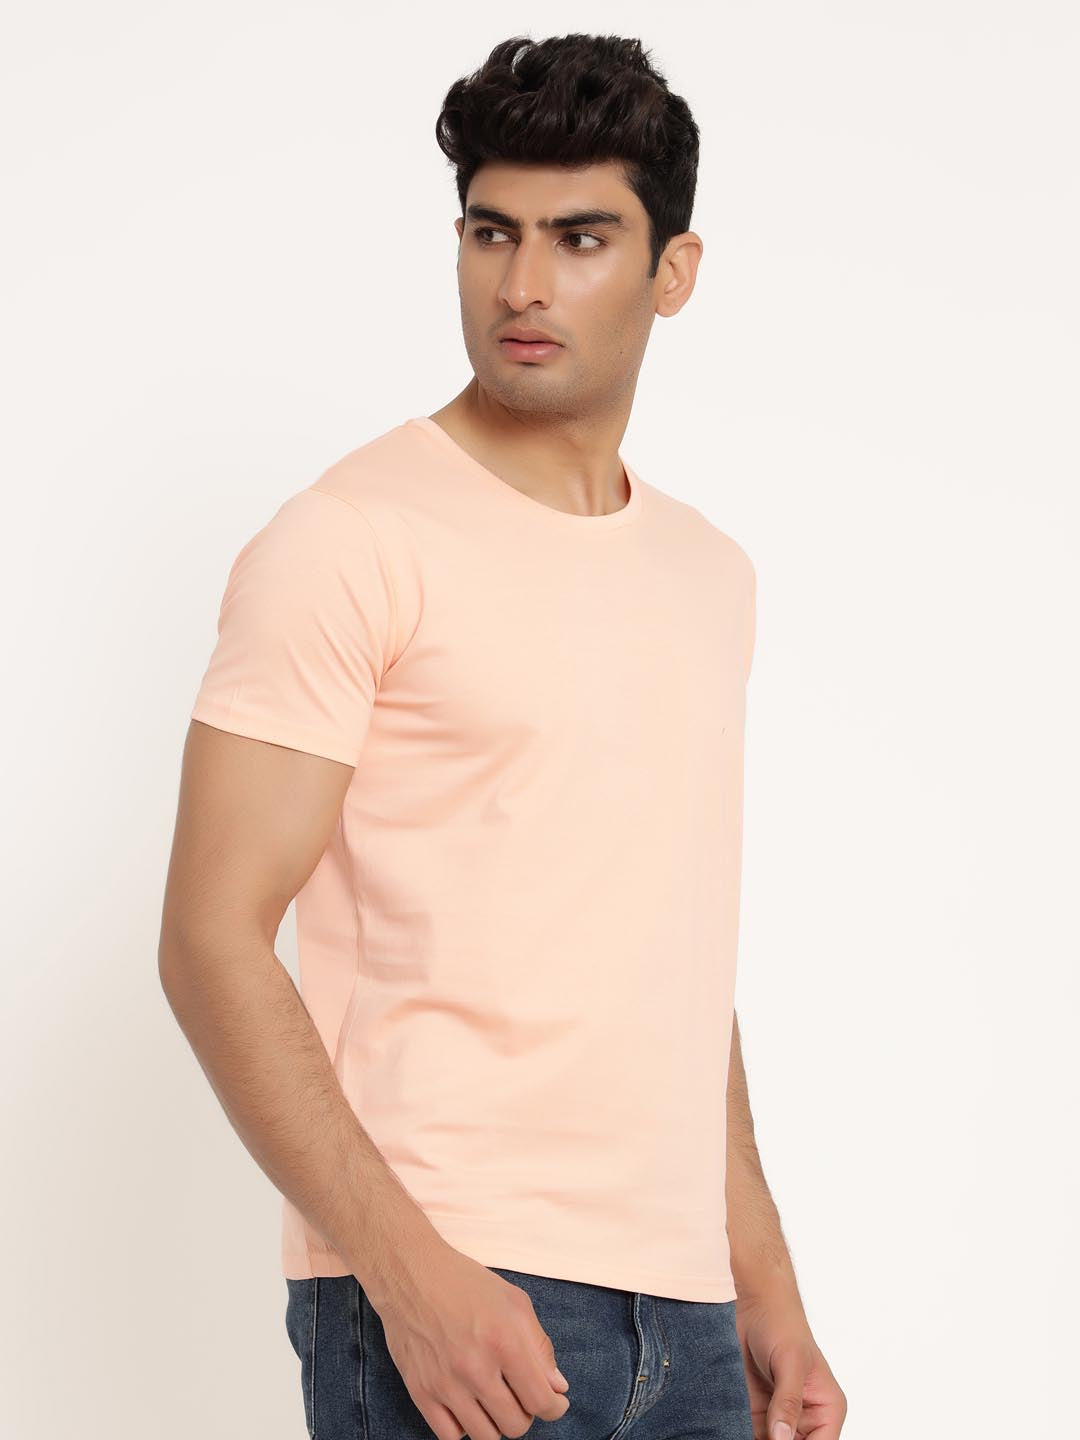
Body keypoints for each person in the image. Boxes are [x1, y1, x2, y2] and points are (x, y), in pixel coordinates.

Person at [159, 31, 846, 1440]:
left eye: (580, 237)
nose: (522, 284)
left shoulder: (709, 574)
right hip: (455, 1290)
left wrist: (761, 1281)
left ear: (673, 271)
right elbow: (210, 938)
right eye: (492, 232)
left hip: (688, 1314)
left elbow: (667, 966)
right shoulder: (350, 540)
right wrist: (408, 1278)